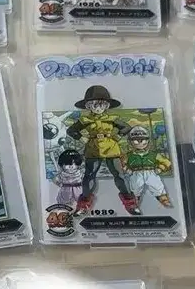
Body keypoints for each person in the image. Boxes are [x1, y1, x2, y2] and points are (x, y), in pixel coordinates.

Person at [65, 85, 136, 214]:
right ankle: (84, 203)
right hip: (93, 148)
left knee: (119, 174)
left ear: (107, 106)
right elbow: (71, 130)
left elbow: (126, 127)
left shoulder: (112, 118)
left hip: (111, 148)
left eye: (101, 105)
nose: (98, 108)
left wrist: (117, 137)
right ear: (88, 106)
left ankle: (130, 203)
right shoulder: (85, 119)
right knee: (89, 176)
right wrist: (82, 138)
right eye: (94, 105)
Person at [122, 126, 172, 214]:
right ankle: (135, 205)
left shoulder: (153, 154)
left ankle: (164, 200)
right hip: (136, 173)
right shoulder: (129, 155)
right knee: (135, 189)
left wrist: (160, 169)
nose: (140, 142)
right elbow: (122, 163)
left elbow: (167, 162)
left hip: (151, 172)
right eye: (136, 140)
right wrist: (127, 170)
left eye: (143, 139)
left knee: (157, 186)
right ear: (130, 142)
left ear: (148, 140)